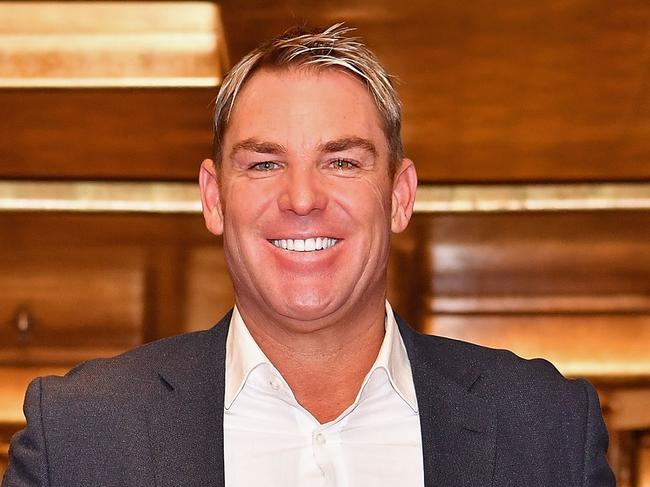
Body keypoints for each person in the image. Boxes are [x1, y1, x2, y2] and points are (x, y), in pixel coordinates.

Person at [2, 24, 615, 487]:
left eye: (341, 162)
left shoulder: (547, 428)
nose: (301, 198)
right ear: (214, 200)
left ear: (399, 198)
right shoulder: (81, 435)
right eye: (265, 163)